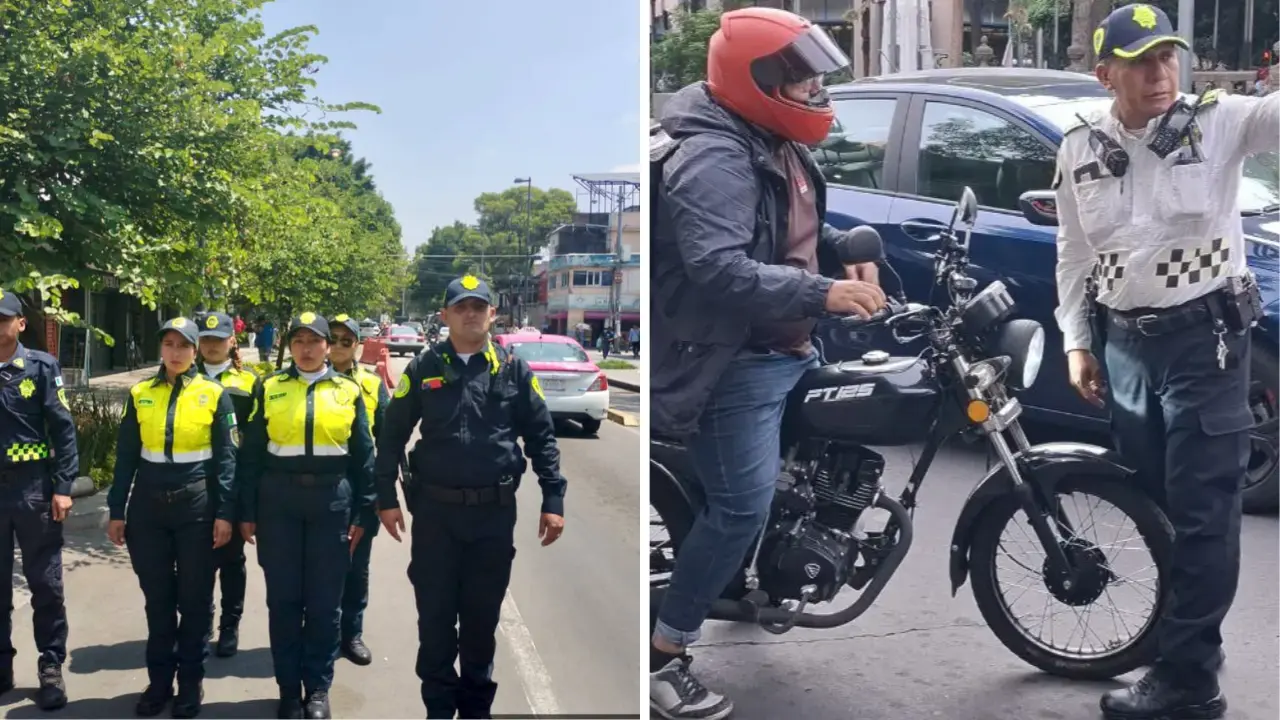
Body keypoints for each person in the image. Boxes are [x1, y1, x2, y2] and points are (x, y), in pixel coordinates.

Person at [648, 8, 888, 719]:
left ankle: (758, 575)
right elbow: (719, 267)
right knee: (741, 505)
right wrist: (821, 292)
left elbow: (783, 226)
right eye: (803, 78)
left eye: (817, 77)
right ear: (758, 80)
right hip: (736, 361)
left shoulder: (770, 138)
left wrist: (842, 252)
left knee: (796, 481)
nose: (817, 90)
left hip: (784, 344)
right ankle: (663, 655)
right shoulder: (713, 158)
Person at [1053, 6, 1279, 719]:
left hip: (1205, 344)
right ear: (1105, 75)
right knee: (1158, 500)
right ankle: (1186, 643)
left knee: (1204, 512)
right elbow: (1075, 252)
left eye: (1167, 57)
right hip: (1124, 345)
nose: (1160, 73)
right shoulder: (1080, 147)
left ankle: (1188, 681)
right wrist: (1077, 340)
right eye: (1142, 61)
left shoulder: (1221, 122)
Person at [375, 275, 567, 719]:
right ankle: (439, 710)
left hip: (492, 519)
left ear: (492, 314)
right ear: (445, 316)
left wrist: (553, 500)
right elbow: (391, 436)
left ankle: (477, 710)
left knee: (481, 624)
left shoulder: (513, 369)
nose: (470, 314)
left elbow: (542, 438)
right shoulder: (424, 367)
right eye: (460, 307)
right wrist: (385, 497)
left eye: (478, 307)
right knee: (436, 624)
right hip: (435, 517)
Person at [238, 312, 376, 719]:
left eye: (314, 341)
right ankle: (287, 690)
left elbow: (364, 457)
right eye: (298, 341)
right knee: (283, 602)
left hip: (331, 502)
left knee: (324, 604)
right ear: (290, 346)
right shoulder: (270, 387)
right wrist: (246, 509)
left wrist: (364, 511)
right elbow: (251, 454)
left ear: (327, 346)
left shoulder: (348, 390)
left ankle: (317, 689)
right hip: (278, 503)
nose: (306, 349)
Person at [107, 317, 237, 718]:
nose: (175, 353)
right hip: (148, 507)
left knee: (195, 599)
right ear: (160, 348)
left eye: (183, 345)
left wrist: (225, 513)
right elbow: (126, 456)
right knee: (158, 600)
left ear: (195, 351)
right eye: (169, 344)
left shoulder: (214, 394)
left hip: (196, 505)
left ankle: (191, 683)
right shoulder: (140, 393)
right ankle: (160, 682)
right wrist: (116, 510)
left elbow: (227, 460)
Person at [0, 287, 77, 711]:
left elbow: (63, 429)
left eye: (3, 319)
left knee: (45, 583)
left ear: (20, 323)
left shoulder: (41, 367)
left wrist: (63, 487)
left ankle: (50, 666)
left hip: (32, 489)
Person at [194, 312, 259, 658]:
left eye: (218, 339)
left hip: (234, 480)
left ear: (231, 341)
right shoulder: (185, 377)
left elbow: (256, 439)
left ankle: (230, 626)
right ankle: (201, 622)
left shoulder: (250, 383)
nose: (211, 345)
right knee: (197, 562)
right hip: (196, 481)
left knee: (232, 560)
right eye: (205, 339)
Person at [327, 314, 389, 666]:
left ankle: (351, 633)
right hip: (323, 485)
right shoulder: (308, 380)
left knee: (356, 564)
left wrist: (383, 493)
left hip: (361, 484)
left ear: (358, 345)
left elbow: (388, 439)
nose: (337, 346)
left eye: (345, 340)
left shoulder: (371, 384)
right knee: (317, 565)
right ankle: (320, 631)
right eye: (332, 338)